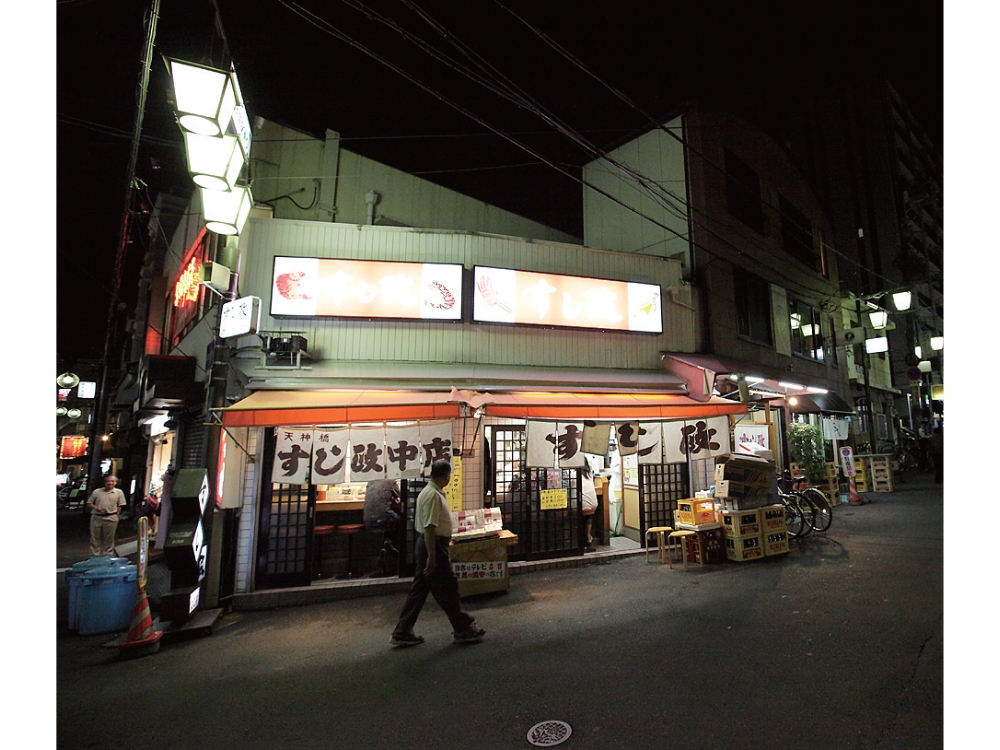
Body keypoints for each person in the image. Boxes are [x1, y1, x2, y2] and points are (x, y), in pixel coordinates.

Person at [390, 460, 485, 648]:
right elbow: (430, 527)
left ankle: (402, 631)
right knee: (448, 588)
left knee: (419, 590)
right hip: (432, 545)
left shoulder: (428, 492)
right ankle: (462, 628)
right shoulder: (433, 495)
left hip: (427, 544)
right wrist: (432, 557)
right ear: (446, 476)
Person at [364, 479, 402, 576]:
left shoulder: (370, 481)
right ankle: (390, 542)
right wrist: (394, 498)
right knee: (401, 520)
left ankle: (385, 545)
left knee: (389, 520)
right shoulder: (391, 482)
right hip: (385, 519)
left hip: (367, 521)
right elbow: (401, 496)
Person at [87, 475, 126, 556]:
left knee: (109, 538)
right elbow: (89, 503)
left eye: (112, 481)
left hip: (111, 517)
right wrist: (96, 508)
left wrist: (116, 516)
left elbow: (120, 505)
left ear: (115, 483)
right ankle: (95, 555)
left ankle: (108, 555)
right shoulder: (97, 492)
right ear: (105, 482)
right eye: (108, 481)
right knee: (94, 538)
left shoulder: (119, 492)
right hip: (96, 517)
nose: (110, 483)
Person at [581, 462, 599, 551]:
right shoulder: (589, 473)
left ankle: (580, 540)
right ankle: (588, 536)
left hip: (581, 503)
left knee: (576, 514)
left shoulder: (573, 473)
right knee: (588, 515)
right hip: (594, 503)